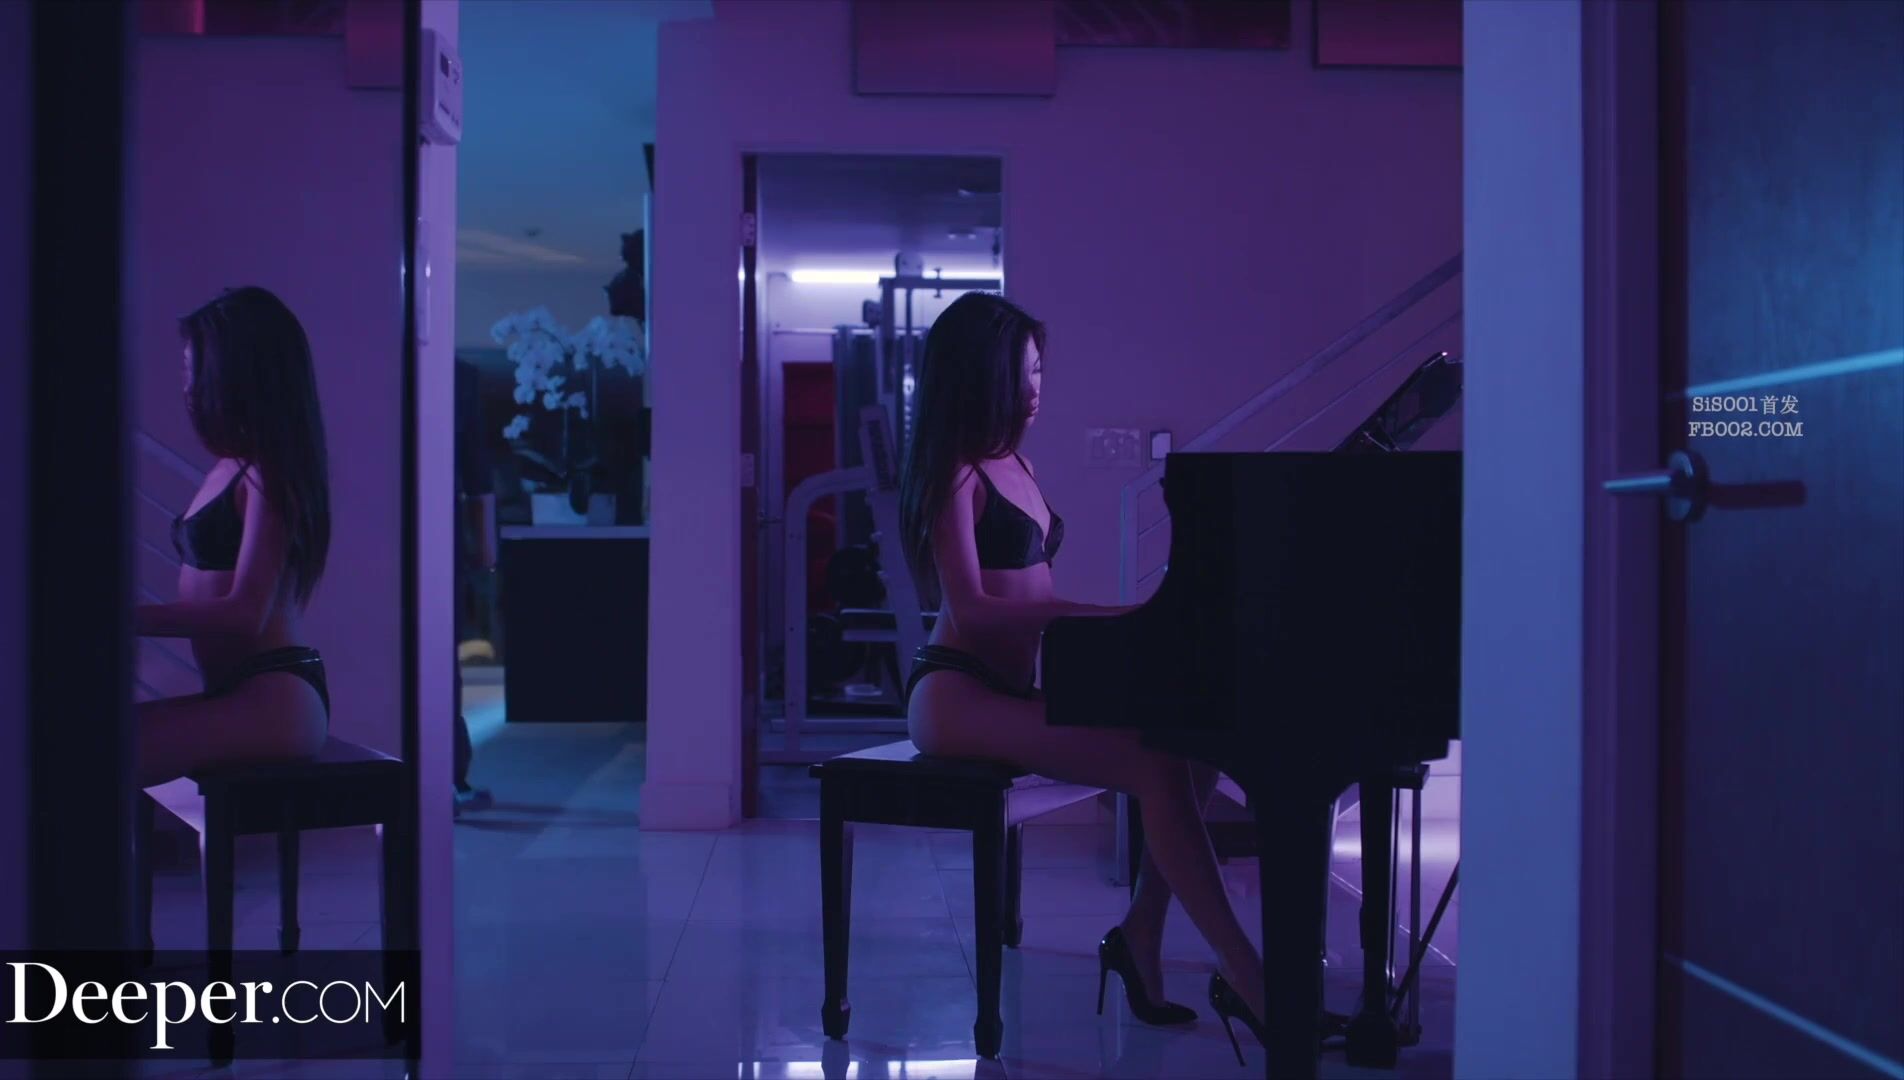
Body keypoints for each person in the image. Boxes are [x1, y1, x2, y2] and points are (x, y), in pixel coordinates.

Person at [899, 293, 1270, 1056]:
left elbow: (1032, 596)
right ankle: (1251, 979)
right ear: (982, 375)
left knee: (1189, 744)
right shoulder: (955, 473)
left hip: (1010, 688)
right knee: (1154, 765)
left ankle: (1141, 935)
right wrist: (1100, 615)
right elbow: (971, 610)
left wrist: (1110, 622)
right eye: (1024, 373)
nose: (1038, 389)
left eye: (1041, 371)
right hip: (955, 693)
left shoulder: (1018, 464)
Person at [134, 287, 331, 788]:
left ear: (234, 373)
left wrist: (127, 619)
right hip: (236, 689)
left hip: (275, 694)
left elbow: (246, 614)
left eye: (192, 370)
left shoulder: (269, 474)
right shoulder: (229, 466)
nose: (186, 387)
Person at [454, 356, 496, 814]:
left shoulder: (459, 377)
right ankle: (449, 778)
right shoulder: (460, 377)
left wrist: (485, 548)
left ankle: (449, 777)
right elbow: (477, 471)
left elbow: (477, 471)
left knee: (442, 664)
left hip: (442, 537)